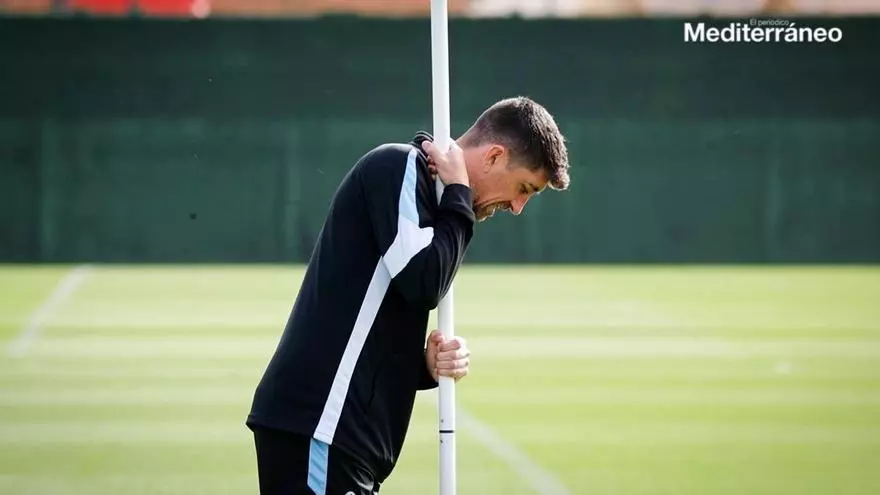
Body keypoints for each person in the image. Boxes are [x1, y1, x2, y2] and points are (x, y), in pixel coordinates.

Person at [246, 96, 571, 495]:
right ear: (493, 157)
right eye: (524, 188)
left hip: (340, 440)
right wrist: (458, 197)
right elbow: (422, 281)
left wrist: (425, 366)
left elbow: (374, 322)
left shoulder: (431, 207)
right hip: (321, 428)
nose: (519, 207)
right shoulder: (399, 166)